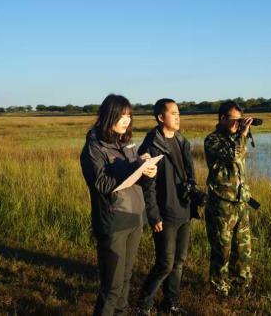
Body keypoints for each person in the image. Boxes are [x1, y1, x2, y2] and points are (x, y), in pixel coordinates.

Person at [80, 94, 158, 316]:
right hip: (113, 220)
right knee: (111, 287)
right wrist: (134, 166)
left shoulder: (126, 142)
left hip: (135, 217)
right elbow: (102, 183)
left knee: (125, 279)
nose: (126, 120)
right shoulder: (94, 147)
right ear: (108, 116)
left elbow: (135, 179)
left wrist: (147, 171)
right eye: (122, 116)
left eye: (129, 115)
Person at [136, 98, 196, 315]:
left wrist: (194, 197)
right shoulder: (151, 145)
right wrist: (153, 215)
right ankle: (143, 305)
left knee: (179, 261)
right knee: (165, 263)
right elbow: (147, 186)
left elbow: (190, 176)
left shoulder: (182, 141)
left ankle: (170, 303)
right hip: (165, 214)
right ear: (161, 117)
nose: (178, 117)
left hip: (184, 211)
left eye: (179, 113)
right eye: (174, 113)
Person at [204, 101, 254, 297]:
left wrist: (241, 133)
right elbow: (233, 156)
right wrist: (241, 135)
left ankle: (242, 284)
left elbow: (240, 157)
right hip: (222, 204)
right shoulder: (212, 140)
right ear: (223, 118)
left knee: (243, 248)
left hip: (241, 202)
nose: (238, 124)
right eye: (234, 120)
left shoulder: (236, 139)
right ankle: (219, 289)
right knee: (222, 250)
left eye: (240, 120)